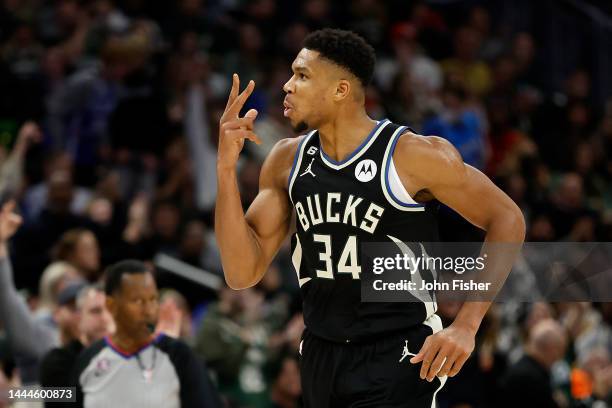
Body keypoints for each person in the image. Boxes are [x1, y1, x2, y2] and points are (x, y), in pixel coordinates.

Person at [215, 28, 525, 407]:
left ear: (341, 90)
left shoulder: (412, 155)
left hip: (397, 351)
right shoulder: (286, 160)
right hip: (320, 353)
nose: (287, 86)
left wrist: (466, 324)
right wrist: (225, 170)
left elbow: (508, 219)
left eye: (302, 75)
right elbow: (241, 273)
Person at [71, 259, 222, 408]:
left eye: (152, 299)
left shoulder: (179, 355)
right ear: (112, 305)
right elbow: (58, 396)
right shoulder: (83, 359)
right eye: (137, 301)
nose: (148, 310)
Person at [40, 283, 114, 400]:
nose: (104, 318)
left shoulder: (129, 354)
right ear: (79, 317)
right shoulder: (58, 361)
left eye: (110, 310)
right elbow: (64, 401)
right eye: (95, 311)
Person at [500, 319, 567, 408]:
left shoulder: (520, 368)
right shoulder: (534, 379)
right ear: (552, 349)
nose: (559, 357)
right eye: (560, 350)